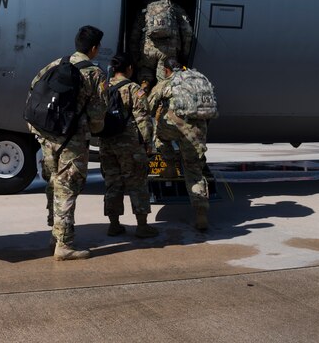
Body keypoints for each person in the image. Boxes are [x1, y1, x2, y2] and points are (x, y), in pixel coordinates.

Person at [29, 25, 107, 260]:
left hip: (48, 136)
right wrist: (93, 130)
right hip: (72, 140)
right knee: (67, 188)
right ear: (94, 48)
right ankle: (64, 245)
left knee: (53, 183)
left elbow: (34, 90)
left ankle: (55, 233)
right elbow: (98, 114)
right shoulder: (95, 73)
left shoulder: (55, 64)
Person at [99, 53, 158, 238]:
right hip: (129, 146)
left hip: (106, 143)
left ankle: (114, 225)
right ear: (129, 69)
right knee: (137, 183)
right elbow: (143, 119)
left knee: (112, 183)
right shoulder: (134, 89)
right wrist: (148, 144)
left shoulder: (103, 88)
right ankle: (142, 226)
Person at [147, 58, 210, 231]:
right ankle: (201, 213)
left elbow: (148, 106)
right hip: (198, 129)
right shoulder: (198, 78)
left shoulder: (167, 82)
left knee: (158, 136)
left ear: (167, 70)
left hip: (175, 128)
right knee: (194, 171)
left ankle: (169, 165)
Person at [141, 0, 193, 86]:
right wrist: (184, 54)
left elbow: (135, 34)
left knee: (146, 75)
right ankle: (161, 98)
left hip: (148, 50)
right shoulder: (175, 8)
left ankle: (144, 92)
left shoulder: (147, 8)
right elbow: (187, 31)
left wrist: (136, 57)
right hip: (169, 51)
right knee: (164, 82)